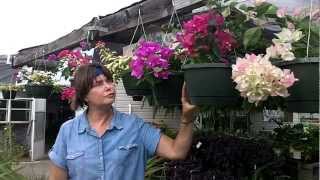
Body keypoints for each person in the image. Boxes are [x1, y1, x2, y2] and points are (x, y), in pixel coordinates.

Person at [48, 63, 198, 180]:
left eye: (109, 81)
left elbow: (176, 151)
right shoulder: (68, 131)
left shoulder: (135, 126)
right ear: (85, 96)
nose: (109, 87)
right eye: (98, 84)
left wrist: (187, 118)